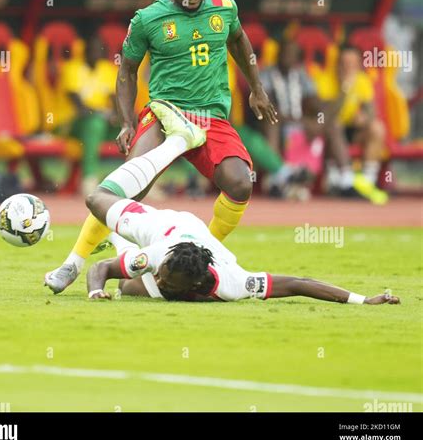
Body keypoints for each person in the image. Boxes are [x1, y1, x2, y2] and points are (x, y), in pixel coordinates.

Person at [45, 0, 278, 294]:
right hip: (165, 113)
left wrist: (256, 88)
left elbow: (239, 41)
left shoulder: (225, 7)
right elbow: (126, 71)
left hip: (210, 117)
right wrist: (126, 122)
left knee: (241, 183)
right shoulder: (148, 19)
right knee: (125, 191)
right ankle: (72, 263)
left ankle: (204, 250)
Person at [82, 104, 399, 306]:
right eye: (162, 275)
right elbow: (100, 269)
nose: (160, 279)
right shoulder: (158, 256)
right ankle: (175, 144)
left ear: (196, 285)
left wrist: (363, 300)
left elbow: (299, 285)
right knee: (97, 200)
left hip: (187, 245)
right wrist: (95, 291)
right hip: (162, 227)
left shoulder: (234, 283)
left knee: (129, 287)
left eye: (166, 282)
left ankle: (117, 238)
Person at [260, 39, 387, 203]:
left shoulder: (302, 76)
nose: (288, 58)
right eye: (284, 53)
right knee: (273, 123)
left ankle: (350, 182)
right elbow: (269, 109)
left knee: (367, 127)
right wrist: (344, 89)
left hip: (336, 128)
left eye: (292, 55)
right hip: (277, 123)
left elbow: (317, 106)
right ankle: (276, 179)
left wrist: (364, 118)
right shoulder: (266, 75)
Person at [314, 45, 387, 190]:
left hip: (352, 130)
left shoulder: (362, 80)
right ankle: (342, 179)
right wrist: (345, 88)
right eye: (345, 63)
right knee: (334, 126)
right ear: (338, 64)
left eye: (353, 64)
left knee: (377, 128)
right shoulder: (325, 80)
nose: (349, 68)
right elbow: (326, 115)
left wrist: (365, 118)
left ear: (359, 65)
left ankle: (367, 181)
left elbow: (372, 111)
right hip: (329, 132)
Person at [58, 34, 118, 195]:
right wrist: (103, 114)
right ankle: (89, 180)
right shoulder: (72, 68)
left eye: (99, 50)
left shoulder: (107, 69)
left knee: (135, 125)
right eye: (91, 49)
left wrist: (120, 117)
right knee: (94, 123)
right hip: (72, 124)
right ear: (84, 51)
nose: (95, 53)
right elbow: (79, 107)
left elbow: (115, 101)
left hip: (102, 124)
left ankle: (140, 181)